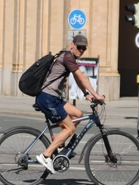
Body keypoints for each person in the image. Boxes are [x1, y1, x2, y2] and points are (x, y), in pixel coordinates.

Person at [34, 34, 104, 174]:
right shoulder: (67, 56)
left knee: (78, 114)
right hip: (48, 98)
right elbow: (82, 77)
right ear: (72, 44)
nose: (81, 50)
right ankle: (45, 155)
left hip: (52, 97)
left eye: (84, 48)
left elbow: (78, 79)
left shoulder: (68, 57)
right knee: (70, 128)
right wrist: (96, 95)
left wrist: (86, 94)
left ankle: (60, 146)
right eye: (79, 47)